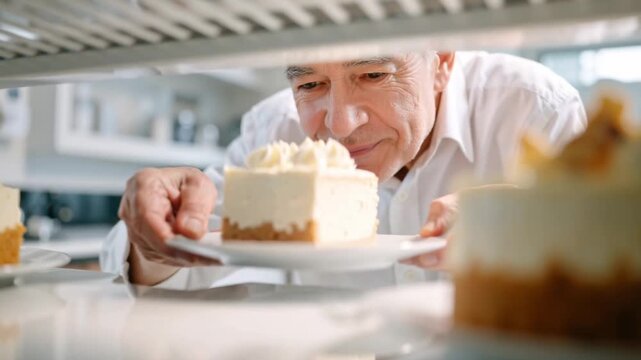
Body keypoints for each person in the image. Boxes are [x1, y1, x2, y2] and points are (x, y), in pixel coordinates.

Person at [101, 51, 586, 289]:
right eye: (310, 84)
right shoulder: (276, 132)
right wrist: (157, 237)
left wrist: (531, 232)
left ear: (440, 63)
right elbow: (177, 271)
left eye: (373, 75)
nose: (339, 123)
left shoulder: (534, 113)